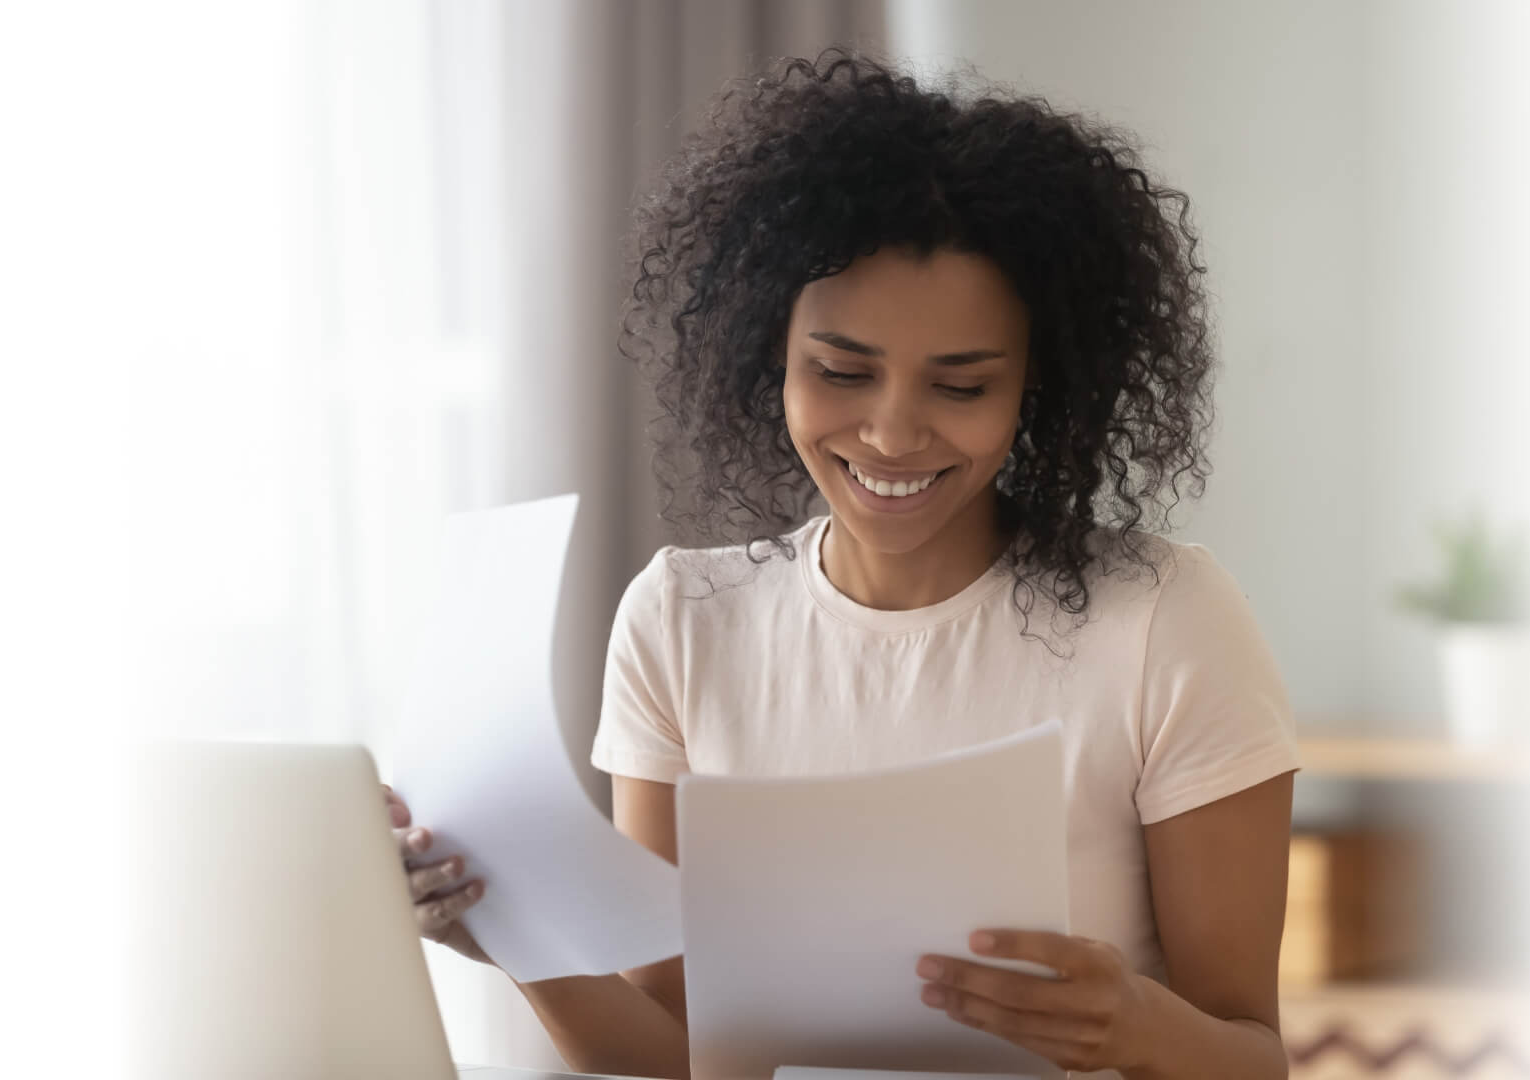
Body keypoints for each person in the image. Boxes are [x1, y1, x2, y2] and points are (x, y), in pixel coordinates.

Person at [386, 48, 1301, 1080]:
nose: (893, 433)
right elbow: (672, 1055)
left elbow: (1254, 1056)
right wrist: (514, 930)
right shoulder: (684, 620)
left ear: (1037, 390)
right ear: (765, 355)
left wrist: (1131, 1026)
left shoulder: (1162, 624)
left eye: (961, 386)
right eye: (840, 372)